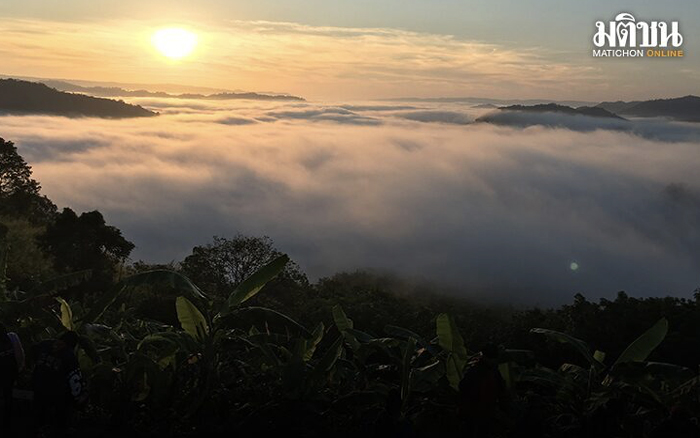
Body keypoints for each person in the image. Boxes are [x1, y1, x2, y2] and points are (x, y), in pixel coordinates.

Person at [32, 331, 88, 436]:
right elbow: (75, 381)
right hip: (57, 394)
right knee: (59, 421)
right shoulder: (69, 355)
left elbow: (33, 351)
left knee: (39, 417)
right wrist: (80, 398)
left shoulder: (45, 344)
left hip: (38, 387)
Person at [457, 344, 509, 437]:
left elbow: (501, 389)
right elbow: (463, 388)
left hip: (487, 410)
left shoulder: (492, 371)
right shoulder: (476, 371)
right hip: (474, 411)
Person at [0, 322, 24, 429]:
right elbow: (20, 355)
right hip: (10, 372)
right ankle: (7, 422)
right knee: (8, 396)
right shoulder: (12, 337)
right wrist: (19, 369)